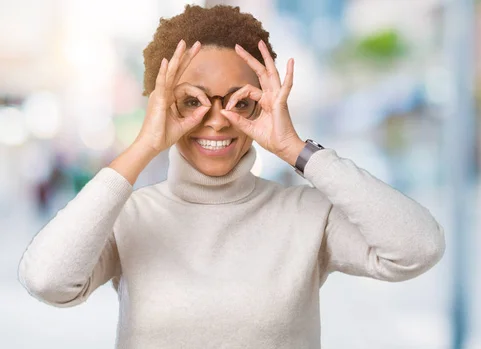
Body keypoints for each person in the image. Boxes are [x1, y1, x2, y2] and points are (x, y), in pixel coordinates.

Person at [17, 4, 445, 349]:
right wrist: (143, 145)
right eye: (192, 101)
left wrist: (296, 149)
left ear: (265, 104)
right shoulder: (129, 217)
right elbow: (47, 280)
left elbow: (417, 248)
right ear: (162, 105)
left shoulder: (307, 215)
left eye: (241, 103)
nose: (218, 121)